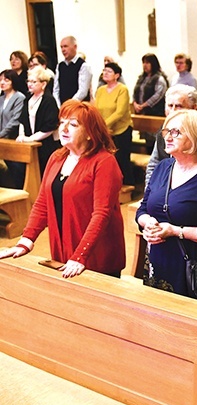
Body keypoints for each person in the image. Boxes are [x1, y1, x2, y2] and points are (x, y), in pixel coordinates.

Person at [0, 100, 125, 278]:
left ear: (90, 133)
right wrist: (26, 241)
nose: (64, 129)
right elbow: (43, 203)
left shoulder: (104, 162)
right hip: (64, 250)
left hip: (96, 254)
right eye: (62, 122)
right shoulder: (57, 158)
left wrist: (80, 255)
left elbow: (101, 214)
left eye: (73, 124)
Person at [136, 109, 197, 305]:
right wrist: (147, 224)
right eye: (167, 132)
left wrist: (175, 231)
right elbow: (143, 208)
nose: (168, 137)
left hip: (193, 268)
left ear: (195, 136)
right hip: (159, 262)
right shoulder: (163, 167)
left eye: (177, 132)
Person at [145, 84, 197, 188]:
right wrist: (150, 191)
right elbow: (153, 164)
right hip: (162, 190)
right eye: (170, 106)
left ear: (193, 108)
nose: (173, 111)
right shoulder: (164, 130)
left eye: (179, 106)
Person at [16, 67, 60, 182]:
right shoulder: (28, 99)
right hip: (32, 145)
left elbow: (50, 126)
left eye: (34, 82)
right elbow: (23, 120)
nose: (30, 84)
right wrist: (21, 135)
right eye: (28, 81)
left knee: (46, 175)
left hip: (46, 145)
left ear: (43, 84)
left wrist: (31, 139)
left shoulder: (48, 100)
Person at [94, 62, 134, 185]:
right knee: (106, 160)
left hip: (121, 130)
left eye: (109, 71)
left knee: (121, 160)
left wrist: (103, 126)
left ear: (117, 75)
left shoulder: (122, 89)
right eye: (104, 70)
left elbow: (120, 112)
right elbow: (96, 108)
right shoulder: (100, 90)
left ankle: (127, 186)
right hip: (105, 131)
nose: (105, 73)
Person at [53, 36, 92, 106]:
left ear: (75, 47)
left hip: (79, 107)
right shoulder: (60, 66)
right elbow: (56, 89)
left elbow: (83, 91)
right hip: (63, 107)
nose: (63, 50)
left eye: (65, 46)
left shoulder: (83, 66)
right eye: (61, 47)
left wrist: (70, 105)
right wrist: (58, 106)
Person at [0, 70, 26, 140]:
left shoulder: (19, 97)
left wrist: (1, 134)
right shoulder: (1, 98)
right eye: (0, 80)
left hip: (13, 137)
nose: (2, 82)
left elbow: (15, 119)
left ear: (13, 81)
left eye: (6, 80)